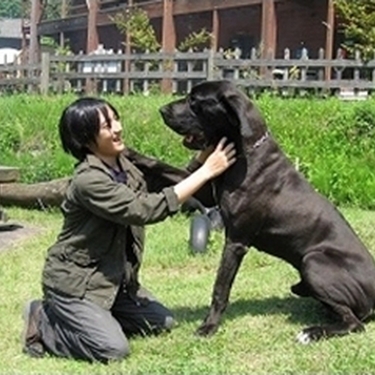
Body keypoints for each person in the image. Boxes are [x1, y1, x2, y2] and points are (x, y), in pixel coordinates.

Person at [22, 97, 236, 363]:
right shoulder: (89, 181)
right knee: (113, 350)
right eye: (106, 125)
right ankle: (43, 320)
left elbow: (164, 187)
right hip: (77, 283)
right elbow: (143, 209)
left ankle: (98, 318)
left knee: (163, 322)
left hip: (116, 281)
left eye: (116, 119)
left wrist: (201, 159)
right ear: (86, 138)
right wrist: (206, 172)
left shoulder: (125, 166)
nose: (117, 128)